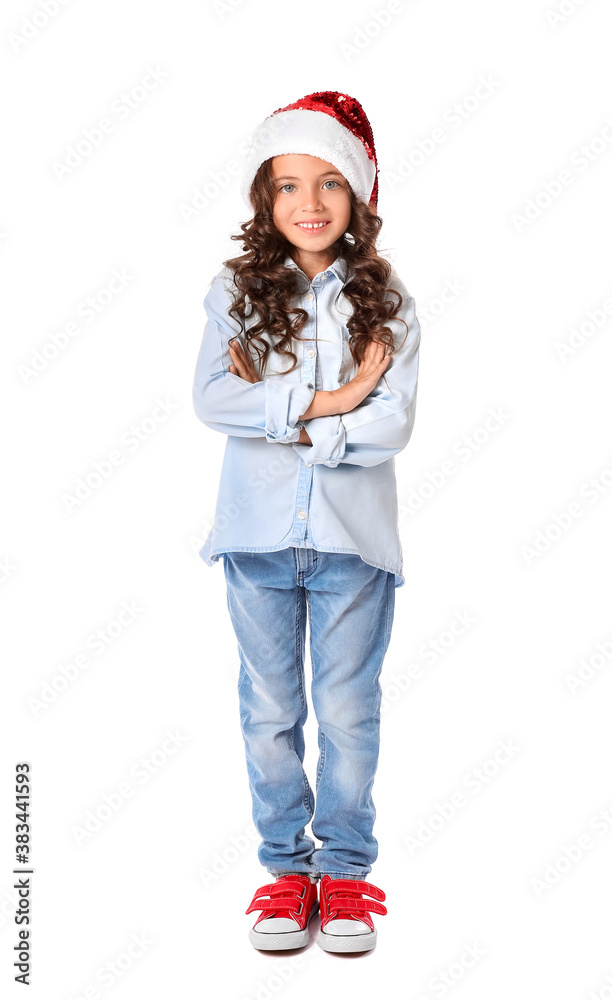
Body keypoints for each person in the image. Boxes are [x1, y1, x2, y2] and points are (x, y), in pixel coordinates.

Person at [192, 91, 421, 953]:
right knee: (270, 708)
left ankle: (349, 877)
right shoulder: (235, 293)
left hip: (351, 546)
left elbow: (392, 424)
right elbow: (214, 400)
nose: (310, 204)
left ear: (358, 197)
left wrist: (290, 418)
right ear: (266, 199)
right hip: (254, 540)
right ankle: (287, 872)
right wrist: (341, 399)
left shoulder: (386, 299)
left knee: (348, 708)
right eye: (289, 185)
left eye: (330, 184)